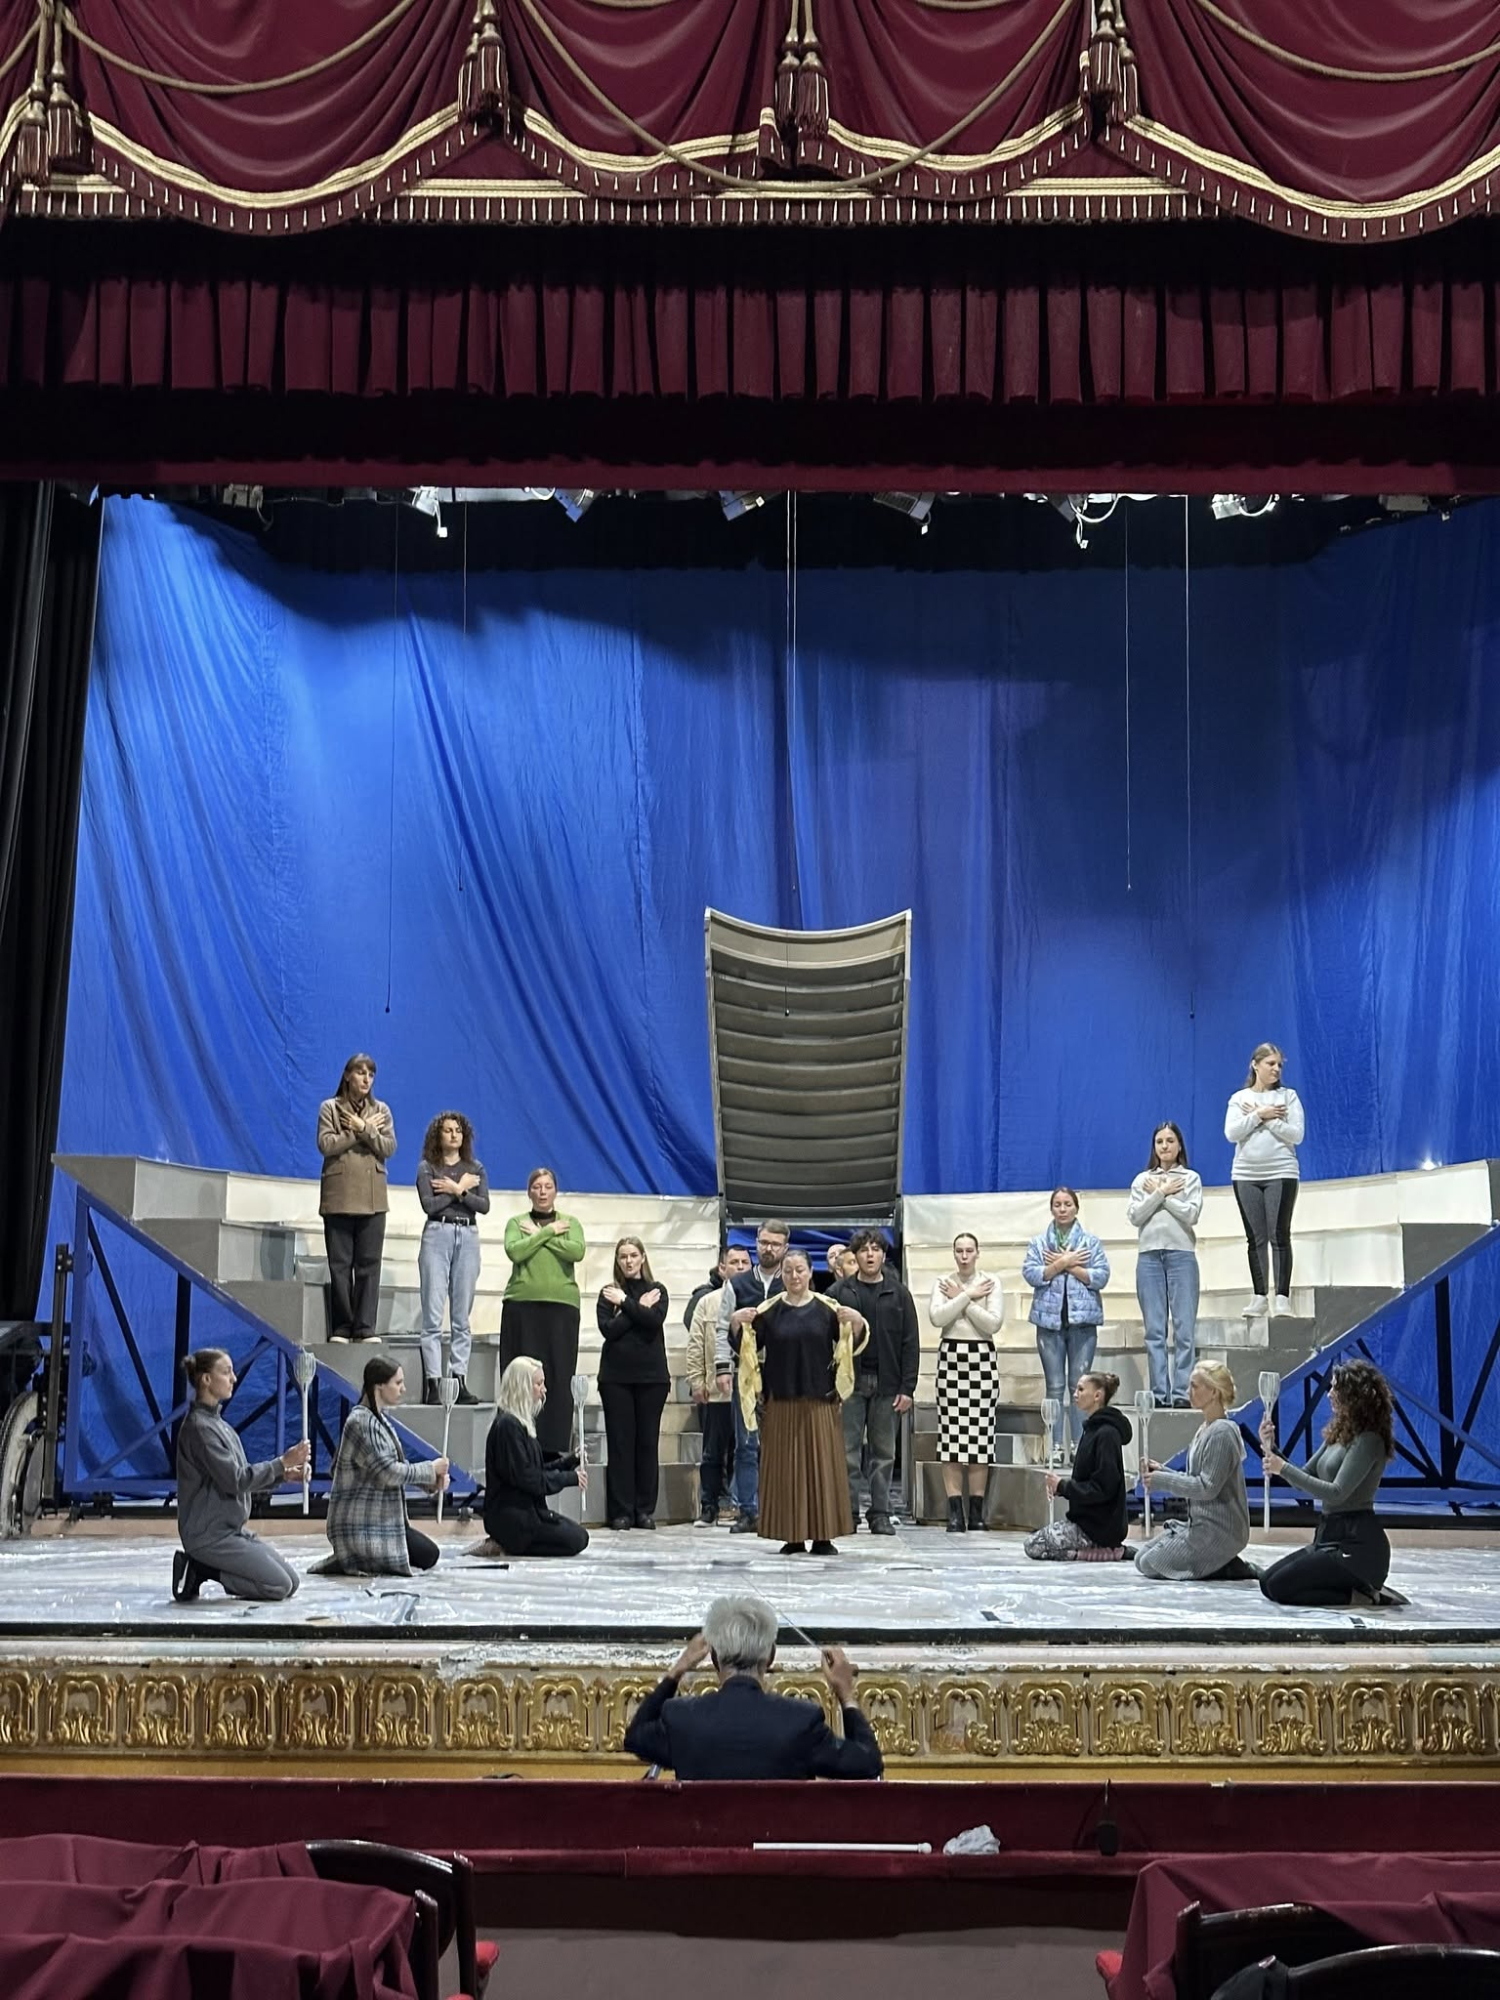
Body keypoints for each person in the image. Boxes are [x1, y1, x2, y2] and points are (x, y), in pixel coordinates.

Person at [623, 1594, 883, 1780]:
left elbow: (635, 1737)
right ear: (770, 1656)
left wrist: (678, 1669)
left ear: (714, 1658)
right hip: (777, 1843)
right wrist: (845, 1693)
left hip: (705, 1842)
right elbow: (868, 1764)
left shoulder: (682, 1719)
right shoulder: (801, 1721)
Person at [731, 1249, 867, 1554]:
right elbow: (748, 1347)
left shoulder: (827, 1309)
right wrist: (736, 1323)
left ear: (810, 1272)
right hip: (781, 1401)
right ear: (782, 1274)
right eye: (789, 1270)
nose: (794, 1276)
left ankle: (823, 1536)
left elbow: (849, 1345)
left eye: (800, 1270)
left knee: (823, 1470)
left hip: (820, 1402)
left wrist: (857, 1323)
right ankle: (791, 1536)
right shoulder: (769, 1311)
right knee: (785, 1471)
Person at [173, 1347, 308, 1602]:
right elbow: (235, 1480)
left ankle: (210, 1567)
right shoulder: (200, 1429)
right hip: (209, 1536)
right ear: (206, 1379)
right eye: (226, 1372)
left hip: (231, 1531)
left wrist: (283, 1475)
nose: (234, 1378)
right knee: (278, 1586)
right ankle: (203, 1568)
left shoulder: (220, 1426)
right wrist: (281, 1463)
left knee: (292, 1582)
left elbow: (241, 1480)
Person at [1258, 1359, 1395, 1606]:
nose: (1330, 1394)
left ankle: (1363, 1595)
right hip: (1328, 1536)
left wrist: (1282, 1468)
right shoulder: (1339, 1433)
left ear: (1354, 1395)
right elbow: (1304, 1477)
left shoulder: (1369, 1440)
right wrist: (1273, 1449)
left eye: (1335, 1388)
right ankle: (1353, 1591)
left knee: (1280, 1588)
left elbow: (1336, 1493)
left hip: (1358, 1546)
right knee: (1267, 1582)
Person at [322, 1356, 449, 1576]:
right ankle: (358, 1556)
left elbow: (397, 1466)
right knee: (428, 1555)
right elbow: (388, 1472)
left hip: (381, 1520)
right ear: (379, 1385)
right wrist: (430, 1469)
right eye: (398, 1383)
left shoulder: (378, 1420)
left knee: (428, 1553)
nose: (403, 1389)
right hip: (363, 1525)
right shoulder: (361, 1422)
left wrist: (431, 1483)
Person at [831, 1230, 919, 1536]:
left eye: (876, 1249)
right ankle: (847, 1512)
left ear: (883, 1255)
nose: (870, 1255)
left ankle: (880, 1513)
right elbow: (825, 1340)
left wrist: (908, 1388)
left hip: (888, 1384)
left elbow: (910, 1342)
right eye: (864, 1250)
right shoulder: (839, 1292)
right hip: (849, 1384)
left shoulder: (899, 1293)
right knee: (847, 1452)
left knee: (883, 1454)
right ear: (854, 1256)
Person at [1135, 1361, 1254, 1580]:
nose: (1188, 1392)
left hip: (1220, 1531)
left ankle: (1225, 1565)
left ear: (1214, 1392)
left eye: (1194, 1386)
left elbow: (1206, 1488)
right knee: (1141, 1558)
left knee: (1150, 1563)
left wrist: (1162, 1481)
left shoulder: (1222, 1432)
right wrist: (1163, 1471)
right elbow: (1197, 1479)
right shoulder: (1205, 1429)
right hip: (1200, 1524)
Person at [500, 1166, 586, 1456]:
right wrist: (549, 1232)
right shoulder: (517, 1222)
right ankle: (518, 1442)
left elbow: (576, 1251)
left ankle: (555, 1447)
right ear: (529, 1192)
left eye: (547, 1186)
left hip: (561, 1308)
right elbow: (516, 1251)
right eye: (537, 1187)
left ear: (555, 1191)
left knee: (558, 1378)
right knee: (520, 1376)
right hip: (522, 1305)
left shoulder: (570, 1222)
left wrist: (538, 1236)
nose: (542, 1192)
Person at [714, 1218, 791, 1534]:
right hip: (745, 1373)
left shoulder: (793, 1282)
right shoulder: (738, 1284)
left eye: (775, 1244)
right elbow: (722, 1327)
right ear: (756, 1242)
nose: (768, 1249)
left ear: (785, 1247)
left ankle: (781, 1509)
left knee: (782, 1445)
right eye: (763, 1242)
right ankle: (748, 1510)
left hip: (784, 1376)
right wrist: (722, 1367)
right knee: (746, 1445)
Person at [1022, 1187, 1110, 1456]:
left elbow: (1101, 1276)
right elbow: (1031, 1273)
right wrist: (1061, 1264)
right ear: (1051, 1208)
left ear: (1076, 1208)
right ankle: (1056, 1445)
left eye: (1067, 1204)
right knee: (1055, 1386)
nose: (1062, 1209)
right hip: (1049, 1324)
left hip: (1083, 1323)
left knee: (1079, 1385)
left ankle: (1080, 1444)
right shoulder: (1039, 1243)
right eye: (1058, 1204)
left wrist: (1068, 1264)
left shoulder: (1090, 1243)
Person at [316, 1052, 397, 1343]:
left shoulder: (381, 1110)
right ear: (348, 1075)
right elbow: (326, 1144)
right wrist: (357, 1132)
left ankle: (364, 1327)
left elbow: (388, 1147)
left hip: (373, 1197)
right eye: (361, 1072)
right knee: (340, 1264)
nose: (366, 1079)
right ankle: (342, 1326)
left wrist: (365, 1128)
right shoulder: (330, 1107)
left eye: (371, 1074)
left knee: (369, 1264)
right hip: (339, 1194)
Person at [478, 1357, 589, 1559]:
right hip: (512, 1517)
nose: (544, 1390)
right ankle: (507, 1544)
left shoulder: (518, 1424)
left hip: (528, 1512)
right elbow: (528, 1478)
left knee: (579, 1536)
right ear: (522, 1387)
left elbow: (535, 1470)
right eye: (539, 1384)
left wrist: (570, 1462)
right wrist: (569, 1478)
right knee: (576, 1539)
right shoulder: (507, 1427)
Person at [930, 1231, 1004, 1532]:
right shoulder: (942, 1282)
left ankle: (976, 1512)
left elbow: (993, 1323)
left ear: (977, 1253)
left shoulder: (991, 1282)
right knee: (951, 1439)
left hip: (981, 1360)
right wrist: (968, 1295)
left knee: (979, 1439)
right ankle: (954, 1512)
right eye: (959, 1250)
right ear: (954, 1253)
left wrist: (963, 1299)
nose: (964, 1256)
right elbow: (937, 1318)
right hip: (951, 1360)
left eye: (969, 1250)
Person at [1225, 1042, 1305, 1321]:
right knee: (1255, 1238)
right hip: (1246, 1174)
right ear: (1255, 1065)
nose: (1276, 1069)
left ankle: (1281, 1298)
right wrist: (1259, 1114)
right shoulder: (1240, 1099)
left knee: (1279, 1234)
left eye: (1280, 1065)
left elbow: (1296, 1135)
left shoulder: (1288, 1097)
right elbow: (1232, 1133)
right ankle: (1259, 1296)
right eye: (1271, 1063)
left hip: (1281, 1172)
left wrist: (1268, 1119)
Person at [1127, 1122, 1203, 1409]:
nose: (1165, 1146)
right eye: (1159, 1141)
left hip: (1181, 1255)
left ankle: (1182, 1392)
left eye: (1170, 1140)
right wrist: (1160, 1192)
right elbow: (1136, 1216)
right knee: (1155, 1330)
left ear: (1179, 1145)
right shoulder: (1142, 1180)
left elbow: (1191, 1215)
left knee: (1184, 1329)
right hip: (1149, 1257)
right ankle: (1159, 1393)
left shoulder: (1190, 1178)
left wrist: (1163, 1195)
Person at [596, 1236, 671, 1531]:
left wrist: (626, 1304)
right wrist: (636, 1307)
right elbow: (610, 1330)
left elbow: (653, 1322)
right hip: (616, 1377)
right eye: (623, 1256)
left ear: (642, 1258)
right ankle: (621, 1511)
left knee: (647, 1444)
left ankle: (644, 1510)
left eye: (633, 1255)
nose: (628, 1261)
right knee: (620, 1445)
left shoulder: (657, 1290)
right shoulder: (608, 1293)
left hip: (652, 1378)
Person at [415, 1110, 489, 1407]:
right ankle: (433, 1382)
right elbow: (429, 1205)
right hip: (438, 1233)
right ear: (438, 1135)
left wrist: (455, 1189)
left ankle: (458, 1379)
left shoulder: (475, 1167)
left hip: (468, 1235)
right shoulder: (427, 1167)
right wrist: (460, 1190)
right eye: (448, 1130)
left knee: (461, 1317)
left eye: (458, 1130)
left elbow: (483, 1205)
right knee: (433, 1316)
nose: (454, 1134)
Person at [1023, 1371, 1132, 1561]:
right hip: (1085, 1522)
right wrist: (1061, 1488)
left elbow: (1103, 1488)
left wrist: (1064, 1486)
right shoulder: (1092, 1430)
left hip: (1098, 1527)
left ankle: (1102, 1552)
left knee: (1035, 1546)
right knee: (1034, 1543)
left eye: (1081, 1390)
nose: (1075, 1394)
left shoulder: (1107, 1434)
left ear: (1097, 1395)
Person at [686, 1246, 750, 1526]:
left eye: (745, 1262)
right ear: (722, 1268)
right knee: (712, 1454)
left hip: (749, 1392)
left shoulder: (760, 1300)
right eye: (734, 1262)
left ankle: (744, 1507)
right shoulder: (707, 1302)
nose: (740, 1266)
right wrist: (697, 1380)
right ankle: (709, 1506)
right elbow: (696, 1344)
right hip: (717, 1391)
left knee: (746, 1452)